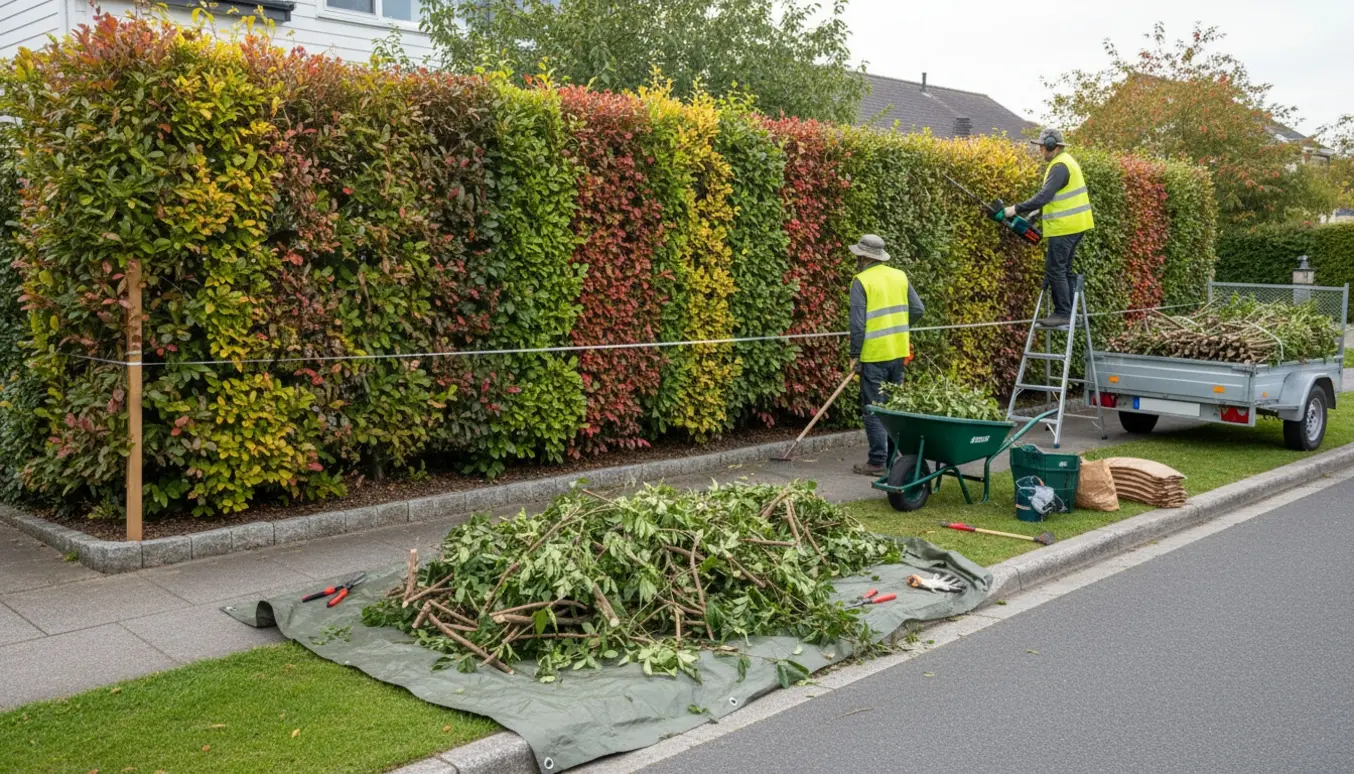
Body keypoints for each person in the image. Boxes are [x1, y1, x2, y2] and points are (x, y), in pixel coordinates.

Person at [847, 234, 925, 477]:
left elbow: (858, 325)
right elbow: (918, 309)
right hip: (898, 352)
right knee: (892, 408)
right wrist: (899, 326)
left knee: (873, 408)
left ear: (863, 257)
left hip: (874, 354)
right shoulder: (899, 276)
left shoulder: (861, 281)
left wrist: (854, 354)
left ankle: (877, 461)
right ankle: (892, 459)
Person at [1004, 128, 1095, 328]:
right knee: (1065, 270)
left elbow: (1044, 196)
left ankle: (1063, 313)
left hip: (1065, 227)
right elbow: (1055, 198)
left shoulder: (1059, 166)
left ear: (1052, 146)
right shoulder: (1066, 162)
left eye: (1042, 147)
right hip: (1076, 225)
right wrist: (1037, 214)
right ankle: (1070, 312)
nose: (1040, 152)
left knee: (1056, 270)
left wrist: (1015, 209)